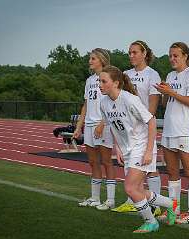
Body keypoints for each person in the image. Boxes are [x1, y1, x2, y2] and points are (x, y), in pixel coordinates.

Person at [99, 65, 177, 233]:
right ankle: (171, 204)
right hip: (127, 150)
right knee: (139, 190)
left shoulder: (129, 99)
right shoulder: (104, 103)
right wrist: (118, 149)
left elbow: (151, 121)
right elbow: (114, 128)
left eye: (104, 81)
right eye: (100, 80)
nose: (100, 84)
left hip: (141, 146)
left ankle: (151, 222)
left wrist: (149, 151)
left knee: (130, 188)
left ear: (116, 83)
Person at [112, 40, 162, 216]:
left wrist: (142, 125)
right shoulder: (125, 74)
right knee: (130, 167)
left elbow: (152, 107)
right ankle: (131, 201)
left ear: (144, 54)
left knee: (150, 168)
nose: (131, 55)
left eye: (135, 52)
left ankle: (156, 206)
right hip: (128, 129)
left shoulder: (152, 75)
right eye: (130, 52)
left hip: (144, 128)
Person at [154, 42, 189, 224]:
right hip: (169, 129)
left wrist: (171, 92)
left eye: (176, 55)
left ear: (185, 56)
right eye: (170, 56)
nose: (172, 59)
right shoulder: (171, 75)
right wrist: (164, 92)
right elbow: (167, 103)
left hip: (184, 131)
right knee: (172, 172)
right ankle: (174, 210)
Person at [73, 48, 116, 210]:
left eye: (93, 58)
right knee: (93, 162)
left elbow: (112, 103)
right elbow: (85, 105)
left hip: (102, 125)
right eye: (90, 58)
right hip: (89, 126)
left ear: (102, 60)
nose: (90, 61)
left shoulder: (108, 78)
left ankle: (110, 199)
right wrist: (79, 127)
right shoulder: (89, 80)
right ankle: (95, 198)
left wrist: (102, 123)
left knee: (106, 162)